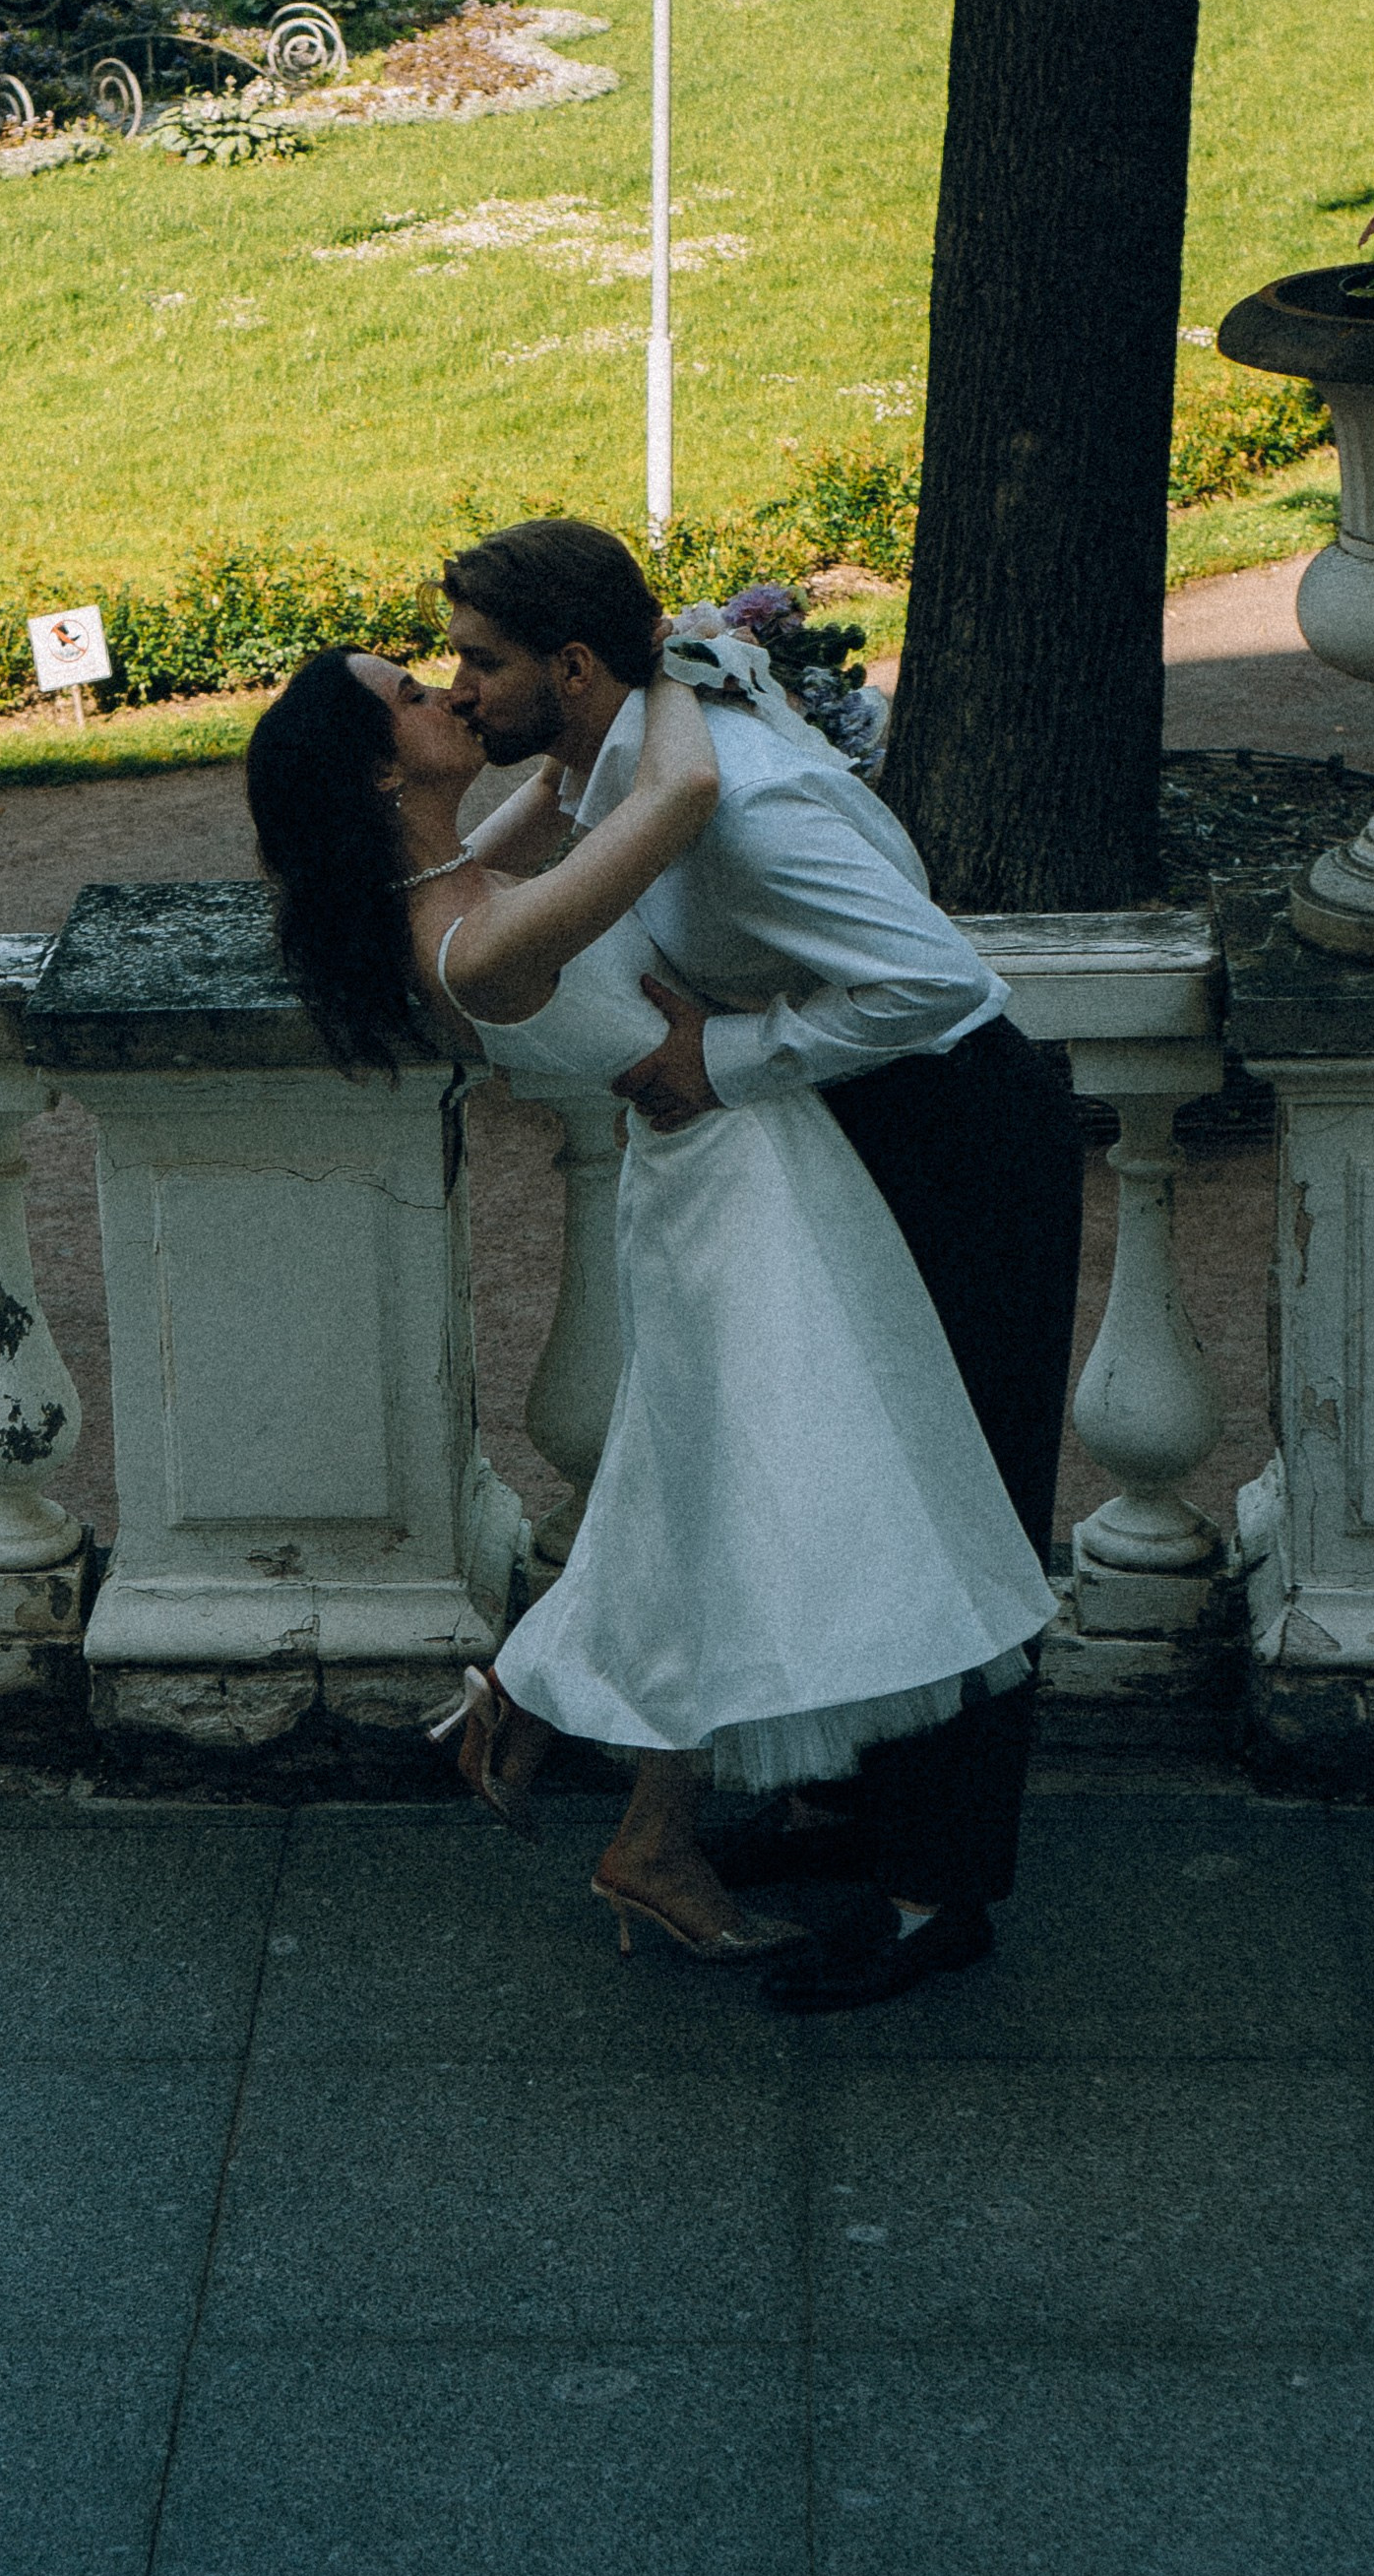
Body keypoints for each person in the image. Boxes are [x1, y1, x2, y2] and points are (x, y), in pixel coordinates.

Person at [245, 638, 1055, 1979]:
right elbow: (670, 799)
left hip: (726, 1180)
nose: (447, 691)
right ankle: (606, 1774)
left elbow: (567, 802)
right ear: (383, 767)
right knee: (769, 1511)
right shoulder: (485, 937)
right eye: (410, 694)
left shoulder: (448, 879)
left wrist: (644, 667)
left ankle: (574, 1751)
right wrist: (664, 665)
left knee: (706, 1506)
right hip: (741, 1197)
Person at [439, 516, 1085, 2008]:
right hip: (851, 1127)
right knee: (847, 1483)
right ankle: (854, 1814)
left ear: (577, 664)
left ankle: (939, 1897)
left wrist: (722, 1057)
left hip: (953, 1136)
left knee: (949, 1496)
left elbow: (938, 976)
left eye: (481, 661)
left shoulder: (744, 808)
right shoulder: (633, 755)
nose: (459, 686)